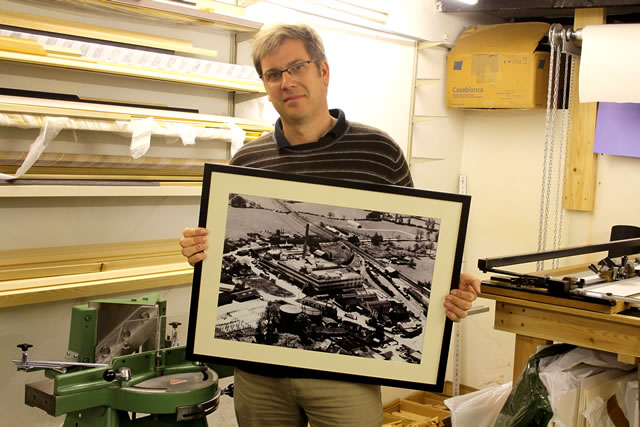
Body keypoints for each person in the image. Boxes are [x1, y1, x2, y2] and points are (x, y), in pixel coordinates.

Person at [180, 23, 481, 427]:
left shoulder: (377, 151)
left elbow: (432, 228)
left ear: (323, 71)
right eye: (273, 74)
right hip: (259, 375)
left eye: (297, 67)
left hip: (345, 377)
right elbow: (216, 253)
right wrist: (199, 250)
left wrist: (447, 279)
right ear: (265, 86)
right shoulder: (247, 162)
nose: (286, 82)